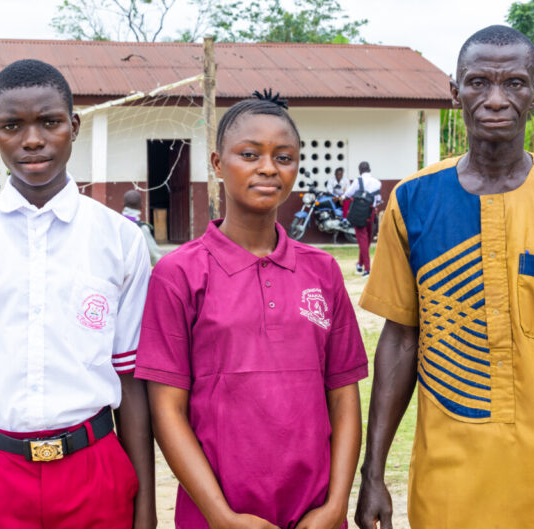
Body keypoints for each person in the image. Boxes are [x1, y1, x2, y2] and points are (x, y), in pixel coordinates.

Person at [356, 25, 534, 529]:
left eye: (513, 83)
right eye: (478, 82)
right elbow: (399, 341)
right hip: (450, 483)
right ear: (454, 92)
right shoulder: (414, 201)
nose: (495, 99)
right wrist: (372, 474)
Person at [0, 59, 156, 529]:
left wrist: (144, 509)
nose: (32, 140)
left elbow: (130, 380)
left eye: (49, 122)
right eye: (12, 126)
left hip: (95, 472)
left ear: (74, 126)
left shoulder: (118, 239)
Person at [135, 91, 368, 529]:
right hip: (219, 517)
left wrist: (336, 506)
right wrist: (221, 517)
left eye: (284, 157)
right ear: (218, 164)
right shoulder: (178, 273)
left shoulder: (323, 271)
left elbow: (343, 395)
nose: (267, 168)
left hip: (315, 515)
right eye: (249, 154)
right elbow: (167, 411)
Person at [343, 161, 381, 276]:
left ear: (360, 170)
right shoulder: (377, 182)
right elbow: (378, 199)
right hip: (371, 213)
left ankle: (367, 269)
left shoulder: (357, 181)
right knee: (367, 240)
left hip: (359, 213)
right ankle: (360, 265)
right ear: (369, 169)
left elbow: (347, 195)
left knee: (362, 241)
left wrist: (342, 198)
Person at [122, 189, 162, 266]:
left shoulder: (116, 223)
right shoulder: (141, 228)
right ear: (141, 207)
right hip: (134, 271)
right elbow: (153, 255)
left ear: (123, 205)